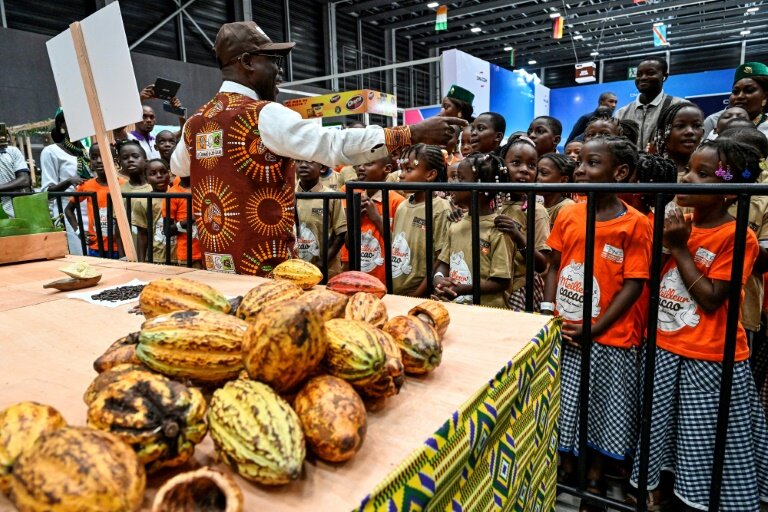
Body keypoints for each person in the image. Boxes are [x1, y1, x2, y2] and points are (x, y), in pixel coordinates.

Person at [170, 21, 464, 276]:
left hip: (217, 263)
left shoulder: (196, 121)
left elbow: (178, 167)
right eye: (272, 61)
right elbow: (333, 145)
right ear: (247, 62)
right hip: (266, 269)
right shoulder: (264, 114)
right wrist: (411, 132)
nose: (279, 71)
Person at [630, 139, 768, 511]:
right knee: (664, 430)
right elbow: (656, 277)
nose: (686, 179)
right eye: (688, 169)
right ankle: (665, 491)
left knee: (702, 438)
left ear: (728, 191)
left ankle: (699, 501)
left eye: (702, 174)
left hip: (708, 357)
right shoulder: (683, 223)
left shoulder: (738, 237)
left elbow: (710, 298)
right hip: (666, 347)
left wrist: (678, 247)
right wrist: (667, 244)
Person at [543, 136, 651, 512]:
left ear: (619, 172)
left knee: (605, 409)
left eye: (592, 163)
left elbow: (635, 283)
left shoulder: (636, 224)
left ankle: (596, 480)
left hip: (611, 337)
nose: (580, 170)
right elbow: (555, 264)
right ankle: (568, 470)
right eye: (581, 163)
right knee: (567, 405)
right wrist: (549, 310)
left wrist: (597, 327)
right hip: (568, 331)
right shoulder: (569, 213)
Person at [433, 153, 513, 308]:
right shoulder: (455, 224)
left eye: (460, 178)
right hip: (456, 305)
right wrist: (439, 279)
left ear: (482, 188)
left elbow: (501, 281)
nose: (453, 183)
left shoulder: (498, 230)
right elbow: (444, 262)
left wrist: (464, 289)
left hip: (488, 312)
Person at [497, 136, 550, 311]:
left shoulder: (536, 211)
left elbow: (542, 265)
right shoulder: (490, 204)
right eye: (516, 163)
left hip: (519, 289)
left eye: (531, 165)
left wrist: (518, 236)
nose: (524, 170)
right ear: (503, 167)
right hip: (489, 287)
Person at [391, 144, 451, 297]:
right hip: (396, 289)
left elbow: (440, 259)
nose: (401, 175)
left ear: (430, 175)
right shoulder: (402, 206)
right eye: (402, 169)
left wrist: (418, 293)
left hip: (419, 294)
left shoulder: (440, 208)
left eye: (409, 169)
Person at [339, 155, 404, 284]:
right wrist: (355, 215)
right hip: (353, 271)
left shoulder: (397, 202)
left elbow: (399, 247)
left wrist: (376, 218)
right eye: (359, 164)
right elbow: (347, 242)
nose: (361, 168)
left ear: (387, 169)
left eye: (368, 164)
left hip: (382, 275)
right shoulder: (352, 196)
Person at [40, 109, 91, 255]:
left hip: (91, 210)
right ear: (62, 125)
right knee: (79, 256)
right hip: (68, 212)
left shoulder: (87, 151)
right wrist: (69, 181)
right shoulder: (51, 151)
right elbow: (46, 193)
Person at [64, 143, 123, 258]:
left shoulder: (123, 185)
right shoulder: (86, 186)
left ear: (114, 159)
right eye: (94, 157)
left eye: (104, 156)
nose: (99, 161)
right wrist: (79, 231)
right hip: (96, 247)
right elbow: (68, 210)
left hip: (120, 247)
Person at [615, 56, 684, 150]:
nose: (643, 78)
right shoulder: (621, 113)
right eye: (639, 74)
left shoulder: (679, 107)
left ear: (664, 76)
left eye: (650, 73)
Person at [295, 159, 346, 278]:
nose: (303, 165)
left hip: (326, 270)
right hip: (294, 269)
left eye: (309, 161)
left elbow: (341, 233)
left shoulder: (332, 196)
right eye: (298, 161)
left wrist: (322, 263)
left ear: (322, 168)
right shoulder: (288, 194)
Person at [703, 62, 768, 139]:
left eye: (749, 90)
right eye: (735, 92)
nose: (740, 96)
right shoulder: (714, 121)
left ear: (765, 97)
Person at [649, 102, 705, 179]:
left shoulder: (711, 169)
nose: (690, 131)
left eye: (697, 126)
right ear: (662, 134)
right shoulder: (650, 170)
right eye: (680, 126)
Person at [133, 159, 174, 263]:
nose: (159, 176)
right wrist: (141, 263)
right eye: (153, 173)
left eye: (163, 172)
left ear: (169, 174)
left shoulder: (179, 196)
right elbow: (142, 234)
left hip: (180, 257)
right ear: (146, 179)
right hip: (156, 257)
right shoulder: (143, 202)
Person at [164, 175, 202, 268]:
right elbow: (167, 230)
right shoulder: (173, 193)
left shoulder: (207, 184)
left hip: (212, 252)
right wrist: (191, 219)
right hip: (189, 256)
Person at [536, 153, 576, 228]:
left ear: (563, 180)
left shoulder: (566, 207)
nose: (537, 177)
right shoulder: (539, 205)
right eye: (537, 172)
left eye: (544, 173)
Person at [0, 126, 31, 217]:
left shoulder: (13, 151)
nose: (6, 138)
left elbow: (24, 180)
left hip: (15, 210)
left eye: (6, 135)